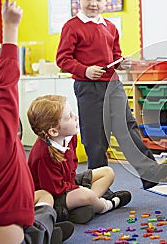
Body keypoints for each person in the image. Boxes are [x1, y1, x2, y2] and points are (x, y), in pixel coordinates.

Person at [55, 0, 167, 189]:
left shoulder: (110, 27)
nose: (93, 3)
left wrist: (121, 63)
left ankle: (150, 173)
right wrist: (85, 70)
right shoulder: (72, 27)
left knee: (127, 127)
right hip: (88, 88)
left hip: (113, 85)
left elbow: (115, 55)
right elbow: (62, 59)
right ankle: (100, 185)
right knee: (95, 137)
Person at [0, 0, 72, 244]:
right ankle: (41, 233)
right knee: (44, 206)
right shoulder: (0, 132)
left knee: (41, 196)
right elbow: (7, 77)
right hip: (11, 235)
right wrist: (10, 27)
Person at [27, 95, 132, 224]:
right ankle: (106, 205)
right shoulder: (43, 155)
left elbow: (73, 165)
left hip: (67, 183)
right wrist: (79, 190)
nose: (76, 117)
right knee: (86, 195)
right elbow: (54, 189)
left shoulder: (70, 137)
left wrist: (77, 186)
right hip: (55, 194)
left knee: (108, 172)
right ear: (54, 131)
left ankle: (86, 206)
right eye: (69, 117)